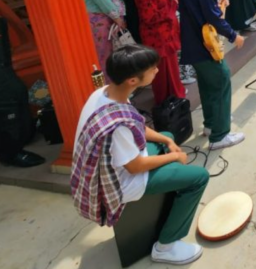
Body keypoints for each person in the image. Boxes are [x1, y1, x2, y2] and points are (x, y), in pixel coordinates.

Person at [71, 45, 208, 264]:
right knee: (199, 178)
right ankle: (166, 247)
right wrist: (174, 157)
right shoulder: (117, 127)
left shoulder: (105, 93)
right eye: (152, 68)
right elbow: (135, 167)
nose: (156, 70)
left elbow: (138, 125)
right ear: (133, 80)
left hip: (117, 167)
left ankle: (167, 198)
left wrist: (167, 140)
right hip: (120, 184)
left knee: (166, 134)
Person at [179, 0, 245, 150]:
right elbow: (215, 19)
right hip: (205, 46)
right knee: (221, 82)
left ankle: (210, 125)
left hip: (193, 44)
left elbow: (205, 13)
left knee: (207, 86)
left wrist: (219, 6)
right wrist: (234, 36)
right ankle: (220, 135)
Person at [132, 0, 185, 104]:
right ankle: (166, 100)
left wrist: (171, 2)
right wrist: (172, 5)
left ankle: (174, 95)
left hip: (165, 33)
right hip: (157, 36)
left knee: (171, 67)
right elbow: (149, 17)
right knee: (162, 71)